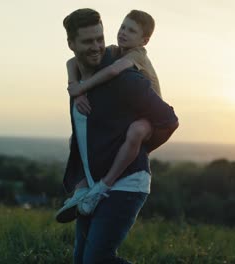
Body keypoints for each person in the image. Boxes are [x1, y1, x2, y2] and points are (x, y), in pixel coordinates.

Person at [60, 8, 178, 264]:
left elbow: (169, 120)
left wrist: (143, 137)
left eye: (99, 39)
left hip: (125, 183)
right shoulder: (81, 72)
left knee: (97, 260)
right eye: (88, 41)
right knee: (81, 259)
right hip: (93, 186)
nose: (97, 46)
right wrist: (76, 90)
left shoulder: (127, 77)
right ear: (71, 44)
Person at [57, 9, 162, 218]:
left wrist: (83, 86)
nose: (123, 32)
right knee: (78, 140)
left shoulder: (135, 55)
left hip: (150, 116)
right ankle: (82, 189)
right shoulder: (117, 51)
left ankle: (103, 186)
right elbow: (72, 62)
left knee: (135, 132)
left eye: (131, 30)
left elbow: (113, 71)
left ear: (144, 40)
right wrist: (74, 87)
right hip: (136, 114)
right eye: (123, 27)